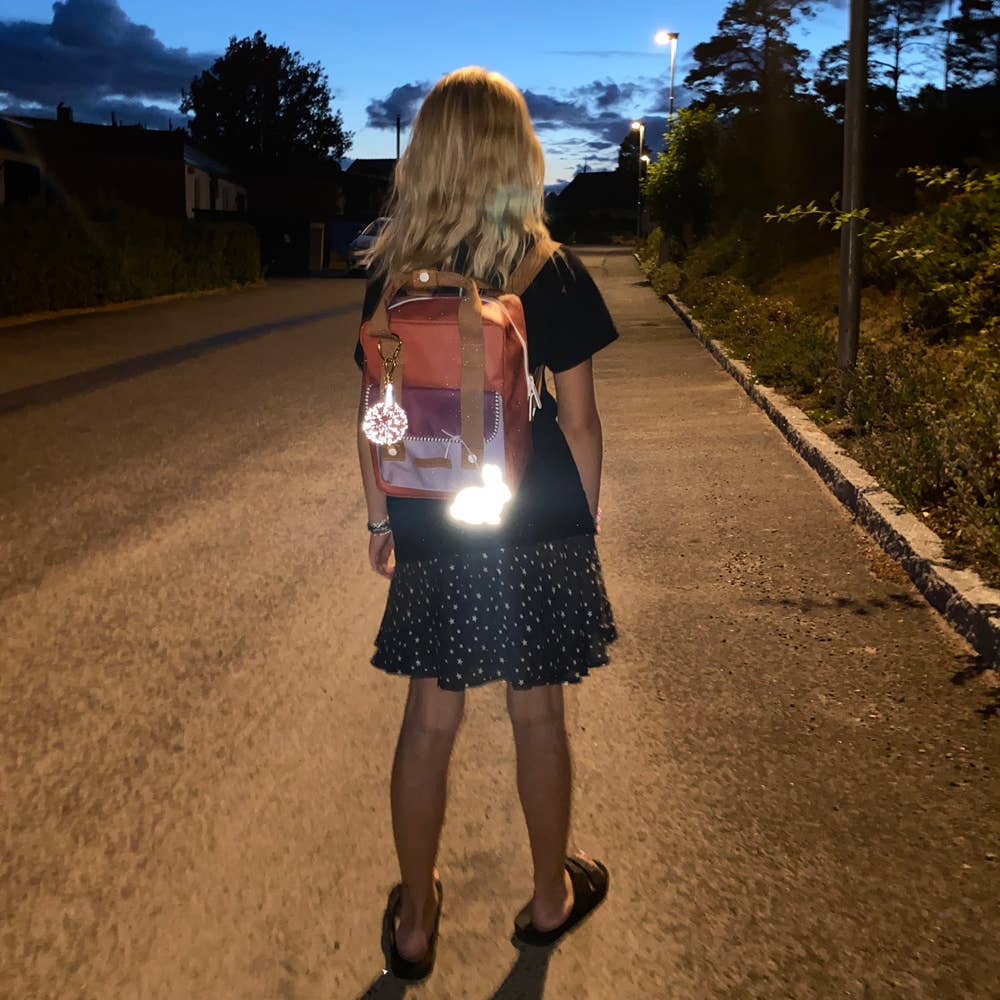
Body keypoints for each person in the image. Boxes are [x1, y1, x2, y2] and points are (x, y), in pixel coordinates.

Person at [354, 66, 618, 982]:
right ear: (517, 157)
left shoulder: (395, 278)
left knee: (430, 720)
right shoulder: (550, 268)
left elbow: (377, 417)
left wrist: (382, 518)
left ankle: (417, 920)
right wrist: (581, 526)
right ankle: (549, 899)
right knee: (537, 715)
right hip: (535, 518)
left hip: (434, 517)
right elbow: (579, 421)